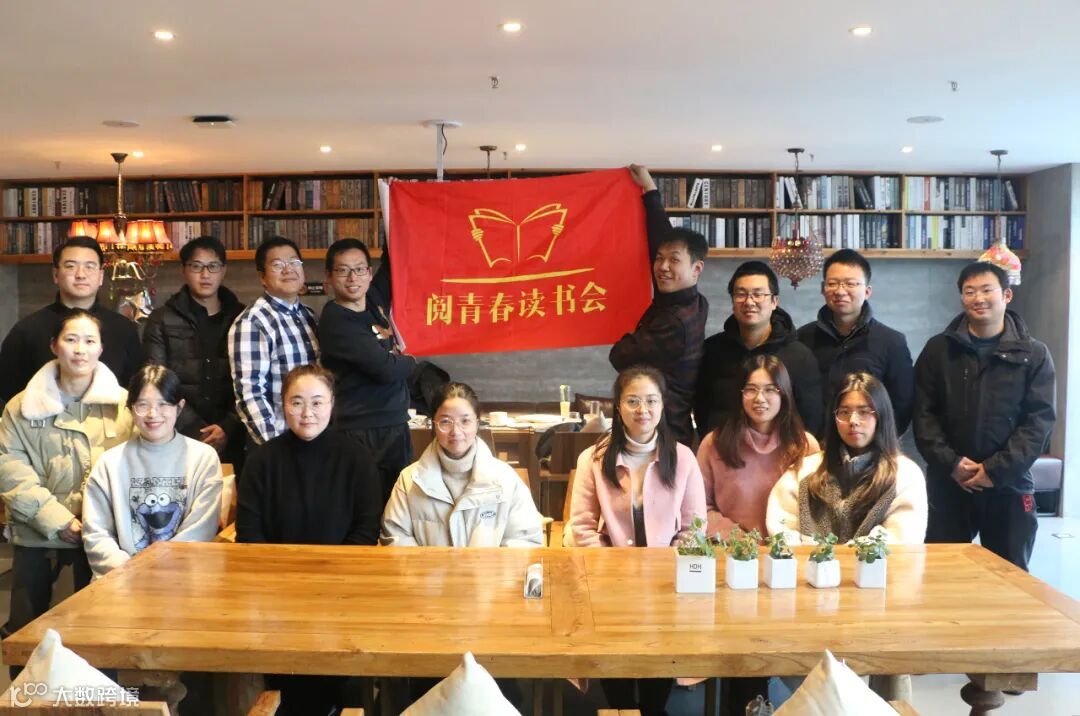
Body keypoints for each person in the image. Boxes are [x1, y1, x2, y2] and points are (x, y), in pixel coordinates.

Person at [237, 364, 381, 716]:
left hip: (340, 590)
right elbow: (250, 535)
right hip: (277, 593)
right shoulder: (261, 460)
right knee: (285, 682)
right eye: (297, 402)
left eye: (317, 402)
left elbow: (366, 529)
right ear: (283, 404)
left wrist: (328, 579)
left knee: (338, 680)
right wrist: (285, 582)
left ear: (332, 404)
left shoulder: (357, 458)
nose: (307, 413)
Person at [569, 365, 706, 716]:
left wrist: (664, 569)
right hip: (609, 586)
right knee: (617, 685)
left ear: (663, 405)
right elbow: (582, 527)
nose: (642, 410)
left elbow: (693, 527)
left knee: (655, 685)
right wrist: (612, 571)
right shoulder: (594, 459)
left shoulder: (683, 458)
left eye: (651, 401)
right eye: (632, 401)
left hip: (666, 587)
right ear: (618, 407)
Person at [0, 310, 133, 668]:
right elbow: (9, 468)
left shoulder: (124, 406)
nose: (80, 349)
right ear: (54, 346)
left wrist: (100, 522)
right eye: (71, 339)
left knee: (98, 638)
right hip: (37, 537)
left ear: (101, 348)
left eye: (89, 341)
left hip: (103, 538)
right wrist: (57, 520)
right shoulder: (20, 407)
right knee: (27, 639)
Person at [914, 262, 1055, 571]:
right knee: (942, 573)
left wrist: (995, 470)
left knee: (1010, 576)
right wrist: (951, 462)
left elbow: (1038, 422)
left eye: (987, 290)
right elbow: (923, 414)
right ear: (962, 297)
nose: (978, 298)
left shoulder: (1034, 354)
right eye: (970, 291)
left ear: (1006, 295)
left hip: (1009, 483)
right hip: (949, 481)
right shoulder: (938, 350)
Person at [82, 364, 223, 579]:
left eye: (163, 404)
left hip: (183, 580)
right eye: (142, 405)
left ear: (179, 407)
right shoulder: (109, 463)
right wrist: (131, 573)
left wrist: (157, 573)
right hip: (122, 581)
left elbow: (200, 530)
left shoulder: (203, 458)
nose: (152, 414)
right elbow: (96, 533)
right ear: (130, 409)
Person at [766, 372, 927, 546]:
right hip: (809, 563)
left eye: (864, 412)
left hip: (877, 565)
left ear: (881, 416)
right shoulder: (805, 470)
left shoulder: (905, 475)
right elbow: (782, 529)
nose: (853, 420)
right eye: (844, 412)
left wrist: (846, 557)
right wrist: (820, 558)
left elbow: (902, 537)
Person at [610, 165, 708, 446]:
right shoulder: (693, 300)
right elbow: (661, 239)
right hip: (658, 430)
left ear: (696, 269)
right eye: (659, 258)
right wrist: (649, 190)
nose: (662, 266)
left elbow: (619, 356)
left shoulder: (674, 323)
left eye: (674, 260)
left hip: (663, 437)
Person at [380, 381, 543, 548]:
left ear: (477, 424)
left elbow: (525, 541)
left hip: (490, 567)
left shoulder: (506, 479)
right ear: (433, 424)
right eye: (445, 422)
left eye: (465, 421)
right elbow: (396, 538)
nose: (456, 432)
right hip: (426, 567)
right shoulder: (409, 480)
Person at [319, 238, 415, 506]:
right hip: (360, 431)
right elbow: (385, 369)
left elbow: (393, 257)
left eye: (359, 269)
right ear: (329, 277)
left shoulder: (372, 300)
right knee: (366, 508)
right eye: (342, 270)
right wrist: (412, 357)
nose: (353, 278)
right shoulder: (336, 320)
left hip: (394, 425)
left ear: (370, 274)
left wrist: (395, 214)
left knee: (398, 509)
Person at [0, 237, 143, 409]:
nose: (81, 274)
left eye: (89, 266)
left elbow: (136, 389)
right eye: (70, 266)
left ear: (100, 276)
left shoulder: (123, 329)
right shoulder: (27, 330)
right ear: (55, 274)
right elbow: (9, 392)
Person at [142, 236, 246, 468]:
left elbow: (250, 379)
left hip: (234, 436)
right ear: (184, 270)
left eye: (213, 266)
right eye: (196, 266)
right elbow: (156, 379)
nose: (205, 274)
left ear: (223, 270)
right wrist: (197, 430)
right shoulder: (161, 319)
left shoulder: (243, 317)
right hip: (177, 434)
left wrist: (228, 427)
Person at [694, 261, 823, 438]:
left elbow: (811, 418)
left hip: (782, 452)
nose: (749, 301)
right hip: (723, 449)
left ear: (774, 301)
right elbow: (702, 408)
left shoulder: (799, 356)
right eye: (741, 294)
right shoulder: (712, 350)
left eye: (758, 294)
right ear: (732, 301)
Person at [697, 355, 819, 540]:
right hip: (730, 549)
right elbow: (699, 506)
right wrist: (740, 541)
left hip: (790, 551)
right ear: (740, 394)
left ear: (784, 394)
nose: (760, 398)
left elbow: (818, 510)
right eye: (751, 389)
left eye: (770, 390)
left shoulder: (805, 445)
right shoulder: (714, 443)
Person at [797, 249, 915, 434]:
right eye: (832, 283)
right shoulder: (803, 338)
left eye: (850, 284)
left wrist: (878, 441)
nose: (840, 291)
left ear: (867, 291)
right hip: (815, 443)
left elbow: (902, 405)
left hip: (870, 444)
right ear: (822, 289)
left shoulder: (892, 342)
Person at [228, 236, 319, 447]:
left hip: (314, 437)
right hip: (279, 441)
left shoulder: (309, 316)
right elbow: (250, 393)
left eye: (294, 262)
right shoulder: (253, 322)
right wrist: (274, 449)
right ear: (262, 277)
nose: (288, 270)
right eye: (278, 265)